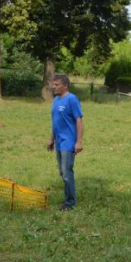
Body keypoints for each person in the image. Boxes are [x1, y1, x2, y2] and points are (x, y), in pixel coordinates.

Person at [47, 74, 84, 211]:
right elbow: (56, 122)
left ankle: (70, 202)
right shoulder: (56, 100)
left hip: (69, 142)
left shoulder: (72, 99)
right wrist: (52, 138)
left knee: (67, 172)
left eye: (56, 85)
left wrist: (79, 142)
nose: (53, 87)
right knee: (63, 172)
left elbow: (79, 121)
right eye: (53, 84)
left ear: (65, 86)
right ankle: (69, 197)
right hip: (59, 142)